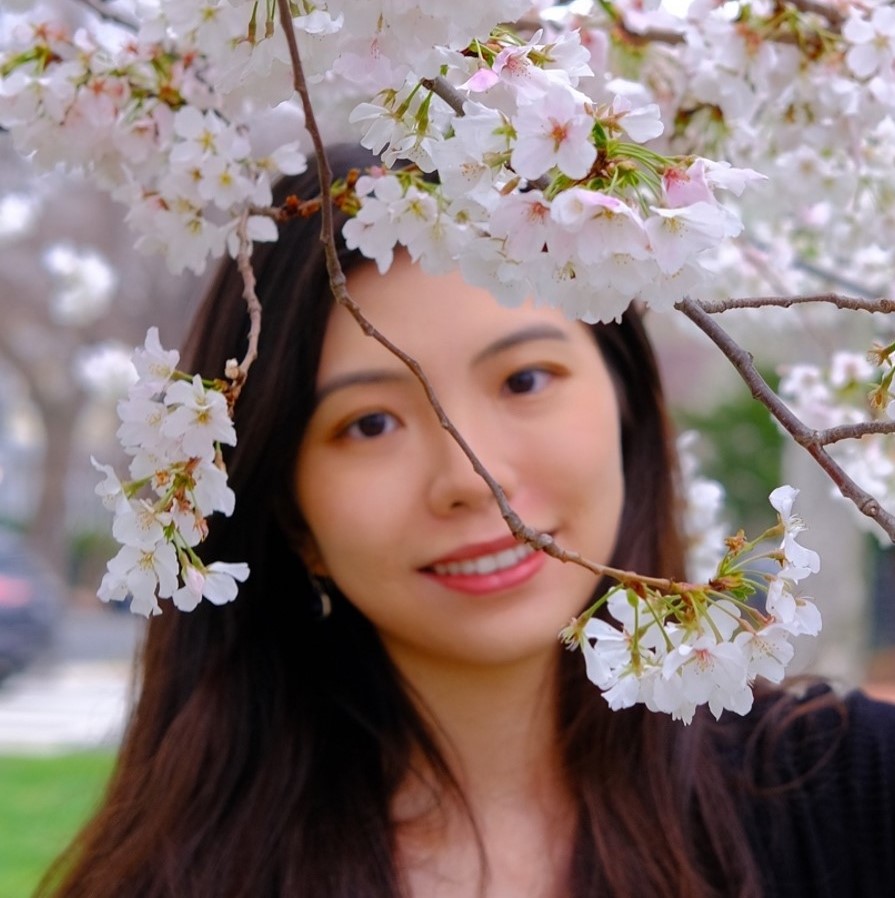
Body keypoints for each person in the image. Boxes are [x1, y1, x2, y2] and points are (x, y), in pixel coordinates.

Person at [40, 144, 895, 898]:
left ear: (629, 411)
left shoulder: (857, 793)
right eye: (368, 424)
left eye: (524, 380)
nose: (468, 478)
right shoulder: (181, 877)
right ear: (289, 517)